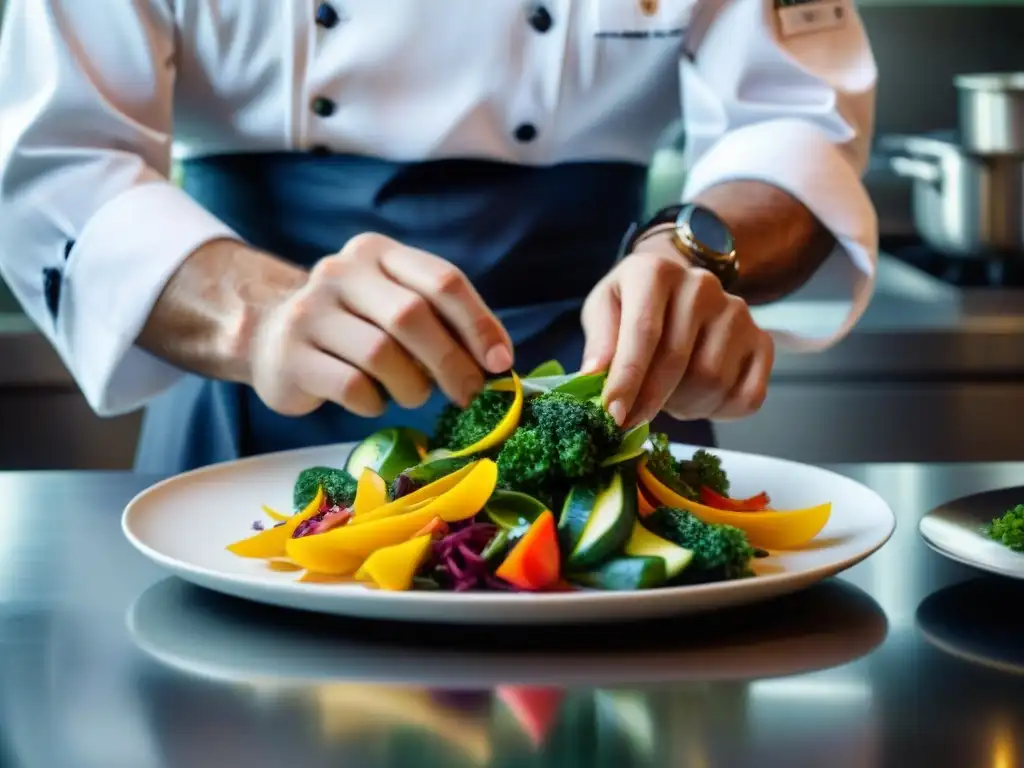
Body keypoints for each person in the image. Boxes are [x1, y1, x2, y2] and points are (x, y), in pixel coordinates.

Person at [0, 1, 877, 474]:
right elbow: (60, 160)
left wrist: (687, 257)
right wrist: (267, 317)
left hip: (601, 386)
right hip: (251, 400)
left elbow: (795, 120)